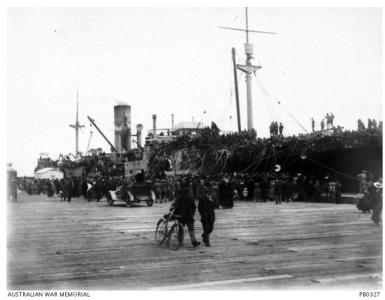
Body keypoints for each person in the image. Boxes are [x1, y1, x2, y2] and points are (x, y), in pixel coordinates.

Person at [173, 177, 200, 247]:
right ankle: (193, 241)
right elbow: (194, 207)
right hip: (188, 216)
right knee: (190, 229)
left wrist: (175, 214)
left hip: (182, 216)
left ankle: (181, 242)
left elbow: (177, 207)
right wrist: (192, 214)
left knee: (181, 230)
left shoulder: (180, 199)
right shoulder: (189, 199)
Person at [198, 181, 216, 247]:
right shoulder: (202, 199)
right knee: (206, 228)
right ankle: (207, 242)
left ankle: (204, 236)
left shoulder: (213, 197)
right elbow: (199, 207)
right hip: (204, 216)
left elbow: (216, 205)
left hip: (211, 215)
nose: (208, 193)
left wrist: (212, 201)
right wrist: (202, 214)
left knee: (211, 228)